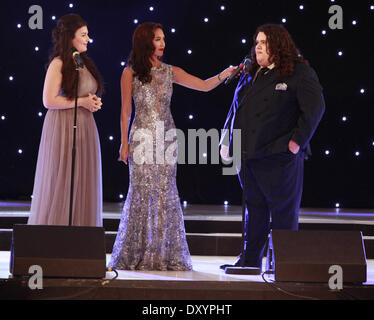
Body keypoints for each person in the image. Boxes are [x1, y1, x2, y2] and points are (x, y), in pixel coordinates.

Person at [108, 22, 237, 271]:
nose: (163, 43)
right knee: (141, 193)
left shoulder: (170, 71)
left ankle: (164, 254)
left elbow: (202, 85)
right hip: (141, 139)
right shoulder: (130, 72)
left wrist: (224, 74)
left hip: (166, 138)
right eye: (158, 39)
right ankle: (136, 252)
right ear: (146, 41)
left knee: (165, 194)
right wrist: (124, 143)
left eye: (164, 39)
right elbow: (125, 111)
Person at [220, 24, 325, 271]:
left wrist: (296, 142)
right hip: (249, 155)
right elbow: (237, 107)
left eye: (264, 42)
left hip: (279, 155)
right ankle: (250, 260)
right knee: (254, 211)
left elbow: (315, 108)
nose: (257, 46)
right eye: (256, 42)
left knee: (283, 212)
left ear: (278, 45)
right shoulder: (252, 73)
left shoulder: (298, 73)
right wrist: (226, 138)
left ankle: (283, 263)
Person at [28, 14, 104, 226]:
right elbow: (48, 100)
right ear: (70, 37)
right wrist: (81, 102)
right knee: (63, 181)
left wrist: (91, 102)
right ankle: (56, 238)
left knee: (82, 182)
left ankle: (80, 238)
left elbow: (80, 90)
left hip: (85, 126)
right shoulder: (58, 63)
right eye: (83, 35)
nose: (88, 39)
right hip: (64, 127)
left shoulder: (79, 60)